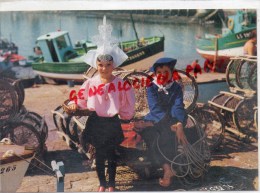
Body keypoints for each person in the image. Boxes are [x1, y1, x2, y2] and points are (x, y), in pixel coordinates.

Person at [67, 16, 135, 192]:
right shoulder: (91, 83)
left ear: (114, 65)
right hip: (96, 121)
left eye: (108, 64)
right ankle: (102, 184)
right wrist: (75, 104)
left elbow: (129, 100)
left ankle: (112, 183)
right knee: (99, 156)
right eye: (100, 64)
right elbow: (80, 97)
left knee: (111, 154)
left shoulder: (120, 83)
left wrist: (127, 115)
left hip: (112, 121)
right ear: (96, 64)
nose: (104, 68)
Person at [134, 58, 197, 187]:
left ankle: (168, 169)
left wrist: (179, 123)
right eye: (159, 72)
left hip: (174, 118)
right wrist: (163, 124)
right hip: (156, 118)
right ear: (156, 74)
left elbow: (178, 105)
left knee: (168, 135)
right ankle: (167, 168)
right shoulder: (151, 87)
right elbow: (155, 108)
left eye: (166, 71)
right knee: (152, 136)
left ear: (171, 72)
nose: (162, 74)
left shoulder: (176, 87)